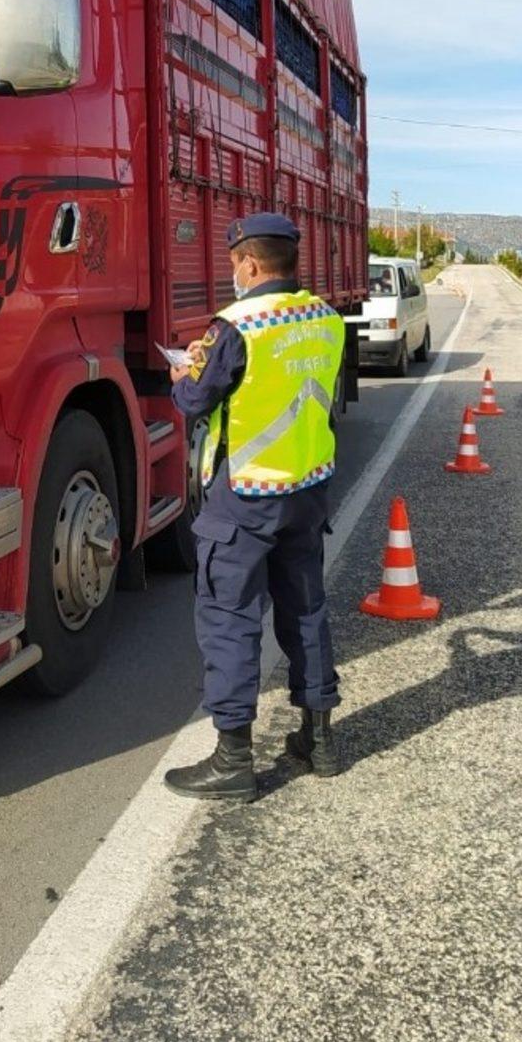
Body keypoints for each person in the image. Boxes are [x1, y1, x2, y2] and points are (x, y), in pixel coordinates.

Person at [165, 213, 345, 804]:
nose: (232, 273)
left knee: (229, 617)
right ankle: (319, 742)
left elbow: (194, 398)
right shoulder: (325, 317)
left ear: (247, 263)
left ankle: (233, 762)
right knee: (306, 611)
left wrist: (185, 366)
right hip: (307, 489)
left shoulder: (236, 326)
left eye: (233, 263)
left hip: (245, 498)